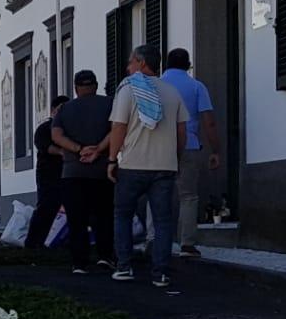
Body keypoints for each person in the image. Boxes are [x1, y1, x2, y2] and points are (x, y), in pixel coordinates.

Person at [105, 47, 191, 289]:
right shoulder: (172, 92)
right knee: (163, 221)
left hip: (133, 164)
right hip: (164, 166)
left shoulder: (128, 89)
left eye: (131, 62)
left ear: (142, 63)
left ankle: (124, 267)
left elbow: (118, 127)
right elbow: (181, 131)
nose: (128, 67)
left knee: (122, 215)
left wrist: (112, 159)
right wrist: (176, 157)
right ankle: (160, 273)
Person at [51, 70, 117, 273]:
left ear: (76, 88)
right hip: (102, 171)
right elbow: (116, 129)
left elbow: (56, 135)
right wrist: (98, 149)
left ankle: (79, 262)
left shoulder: (65, 109)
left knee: (76, 219)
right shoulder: (110, 104)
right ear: (95, 86)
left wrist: (79, 149)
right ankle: (105, 256)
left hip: (72, 172)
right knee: (104, 216)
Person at [160, 47, 222, 256]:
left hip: (159, 147)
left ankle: (154, 239)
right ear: (188, 65)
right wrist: (215, 150)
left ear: (166, 64)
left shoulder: (156, 86)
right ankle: (187, 242)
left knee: (156, 193)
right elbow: (209, 122)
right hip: (189, 145)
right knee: (188, 196)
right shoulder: (196, 86)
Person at [25, 95, 70, 248]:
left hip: (69, 173)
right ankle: (33, 243)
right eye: (60, 109)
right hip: (48, 174)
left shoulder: (72, 128)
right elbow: (44, 145)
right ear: (52, 111)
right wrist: (62, 152)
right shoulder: (44, 128)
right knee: (46, 207)